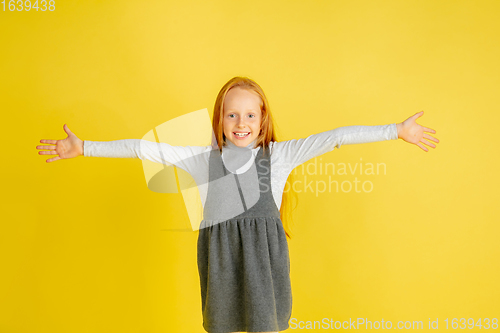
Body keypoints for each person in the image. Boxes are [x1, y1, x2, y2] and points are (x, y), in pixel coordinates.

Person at [36, 76, 439, 333]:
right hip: (222, 266)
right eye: (231, 115)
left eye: (249, 114)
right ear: (220, 119)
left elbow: (335, 136)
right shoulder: (201, 160)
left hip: (264, 267)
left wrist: (396, 130)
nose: (240, 122)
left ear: (262, 120)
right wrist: (84, 147)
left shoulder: (278, 157)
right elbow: (144, 149)